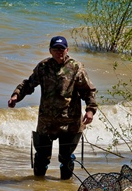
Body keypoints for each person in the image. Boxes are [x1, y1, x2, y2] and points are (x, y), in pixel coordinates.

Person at [8, 36, 97, 179]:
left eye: (62, 49)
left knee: (66, 158)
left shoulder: (76, 68)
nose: (59, 51)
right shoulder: (43, 67)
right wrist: (16, 96)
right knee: (41, 157)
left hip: (70, 121)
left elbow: (88, 91)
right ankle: (38, 190)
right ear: (50, 50)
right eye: (55, 49)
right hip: (46, 121)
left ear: (67, 50)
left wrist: (90, 110)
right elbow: (29, 84)